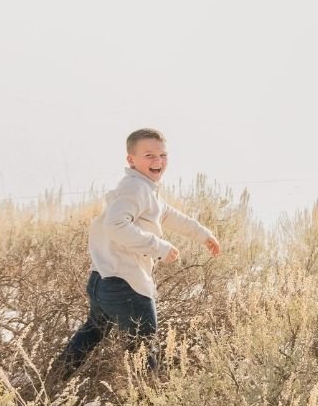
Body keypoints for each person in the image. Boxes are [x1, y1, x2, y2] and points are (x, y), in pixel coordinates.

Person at [55, 129, 220, 379]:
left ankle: (48, 387)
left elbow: (167, 214)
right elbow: (115, 225)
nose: (158, 161)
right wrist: (159, 248)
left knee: (90, 335)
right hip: (127, 286)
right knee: (144, 354)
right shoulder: (136, 188)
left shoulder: (142, 187)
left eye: (163, 155)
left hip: (102, 282)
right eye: (149, 155)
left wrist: (203, 234)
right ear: (131, 160)